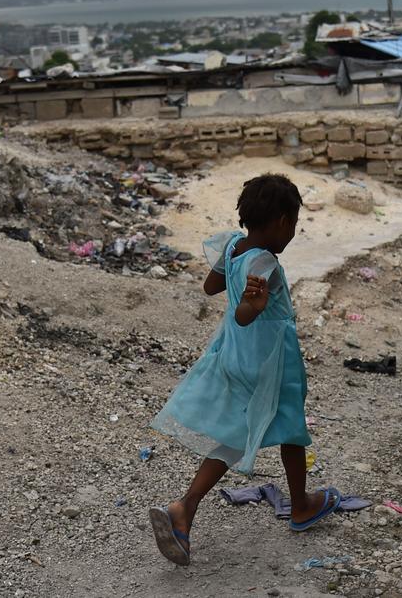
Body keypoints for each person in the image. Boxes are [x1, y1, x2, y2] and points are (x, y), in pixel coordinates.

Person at [148, 174, 340, 566]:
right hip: (271, 361)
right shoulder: (264, 261)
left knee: (237, 433)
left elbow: (209, 286)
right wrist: (252, 302)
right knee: (291, 429)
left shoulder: (234, 245)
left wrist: (242, 293)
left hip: (235, 355)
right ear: (285, 222)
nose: (292, 233)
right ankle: (301, 505)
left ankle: (185, 508)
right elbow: (245, 314)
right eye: (295, 224)